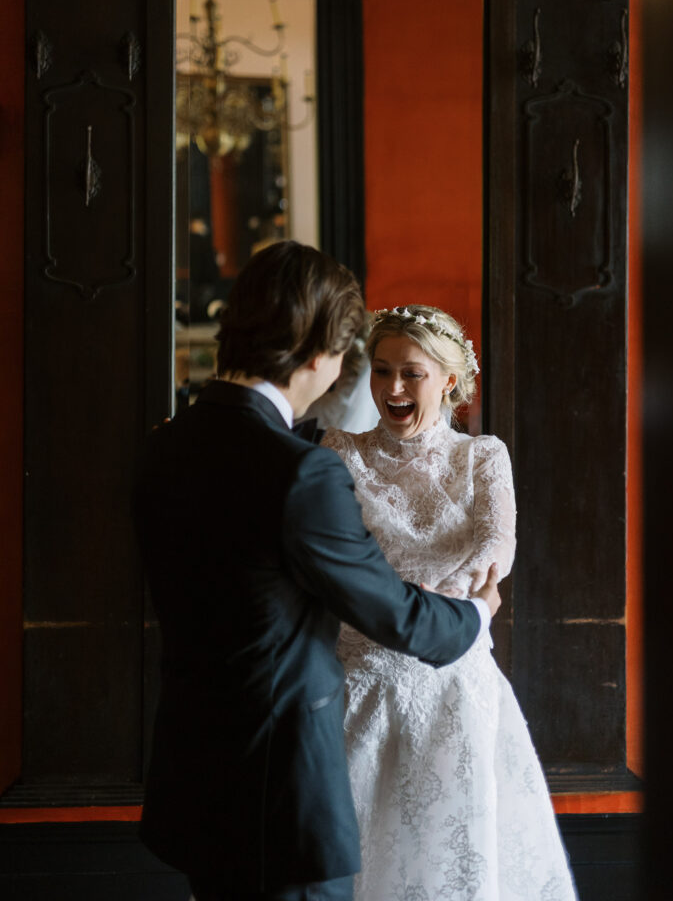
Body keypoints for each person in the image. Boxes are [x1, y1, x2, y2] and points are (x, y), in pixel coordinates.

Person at [132, 243, 502, 901]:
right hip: (283, 789)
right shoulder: (301, 470)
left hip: (192, 773)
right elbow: (391, 610)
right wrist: (475, 614)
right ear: (319, 351)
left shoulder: (163, 446)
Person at [323, 305, 578, 901]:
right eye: (382, 371)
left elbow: (497, 543)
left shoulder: (482, 456)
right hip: (357, 682)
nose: (392, 388)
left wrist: (447, 603)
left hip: (454, 684)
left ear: (449, 380)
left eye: (411, 373)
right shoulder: (339, 451)